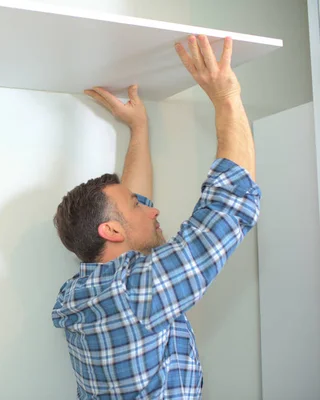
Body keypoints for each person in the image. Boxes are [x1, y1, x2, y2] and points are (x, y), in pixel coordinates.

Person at [51, 34, 260, 399]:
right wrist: (227, 98)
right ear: (111, 230)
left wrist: (139, 129)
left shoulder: (82, 294)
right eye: (137, 206)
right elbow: (228, 203)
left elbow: (132, 215)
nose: (153, 208)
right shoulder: (136, 293)